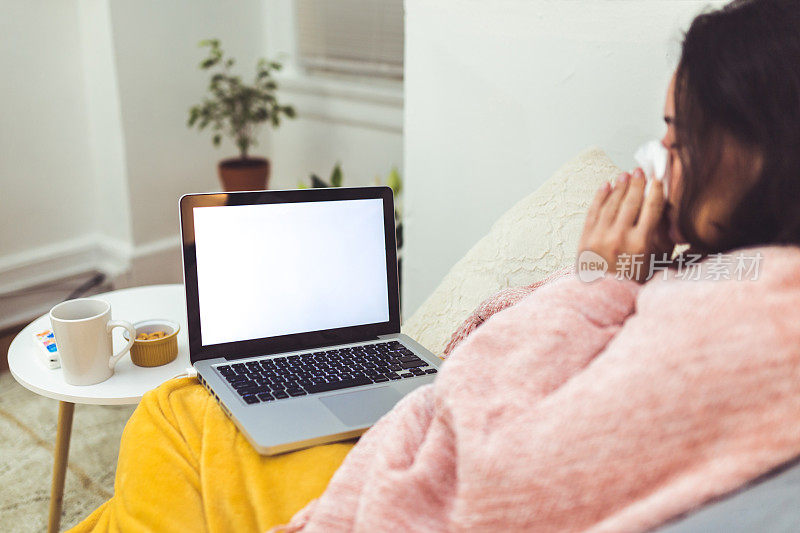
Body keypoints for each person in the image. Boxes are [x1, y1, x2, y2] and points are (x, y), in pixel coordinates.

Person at [69, 1, 800, 531]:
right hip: (421, 430)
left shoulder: (734, 323)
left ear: (756, 147)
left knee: (176, 409)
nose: (659, 158)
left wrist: (595, 281)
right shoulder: (734, 280)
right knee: (181, 429)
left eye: (675, 134)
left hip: (410, 481)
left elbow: (501, 472)